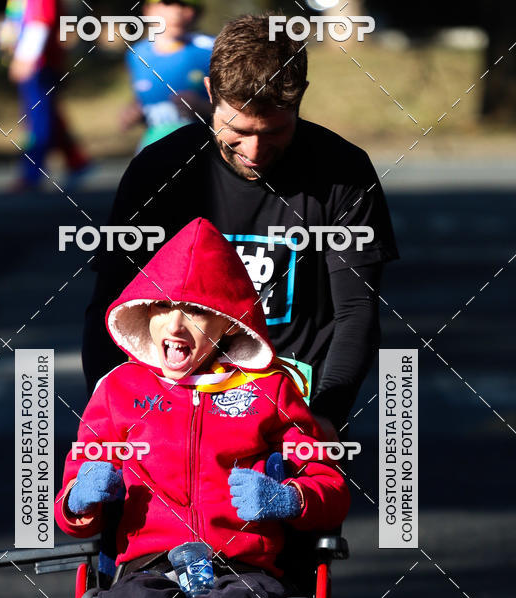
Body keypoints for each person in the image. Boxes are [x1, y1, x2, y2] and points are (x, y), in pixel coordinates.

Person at [54, 217, 350, 598]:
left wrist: (288, 497)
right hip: (148, 564)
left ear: (225, 322)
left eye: (196, 311)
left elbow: (329, 485)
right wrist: (82, 499)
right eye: (164, 310)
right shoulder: (118, 392)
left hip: (240, 566)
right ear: (143, 315)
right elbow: (66, 511)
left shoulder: (269, 391)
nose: (178, 325)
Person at [83, 13, 399, 436]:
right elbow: (110, 301)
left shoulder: (345, 172)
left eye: (273, 131)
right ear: (211, 91)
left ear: (300, 96)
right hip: (170, 417)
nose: (255, 150)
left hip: (287, 414)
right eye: (239, 129)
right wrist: (105, 424)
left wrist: (324, 417)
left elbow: (355, 312)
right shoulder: (158, 171)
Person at [3, 0, 90, 190]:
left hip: (40, 64)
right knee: (48, 114)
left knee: (37, 119)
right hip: (36, 62)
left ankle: (32, 173)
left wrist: (24, 58)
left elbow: (40, 22)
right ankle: (76, 160)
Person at [120, 0, 213, 151]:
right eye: (168, 3)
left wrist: (203, 107)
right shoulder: (136, 54)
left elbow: (241, 110)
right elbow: (144, 103)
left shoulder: (211, 49)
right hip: (154, 149)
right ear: (148, 9)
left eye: (185, 5)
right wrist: (133, 113)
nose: (178, 12)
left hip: (205, 150)